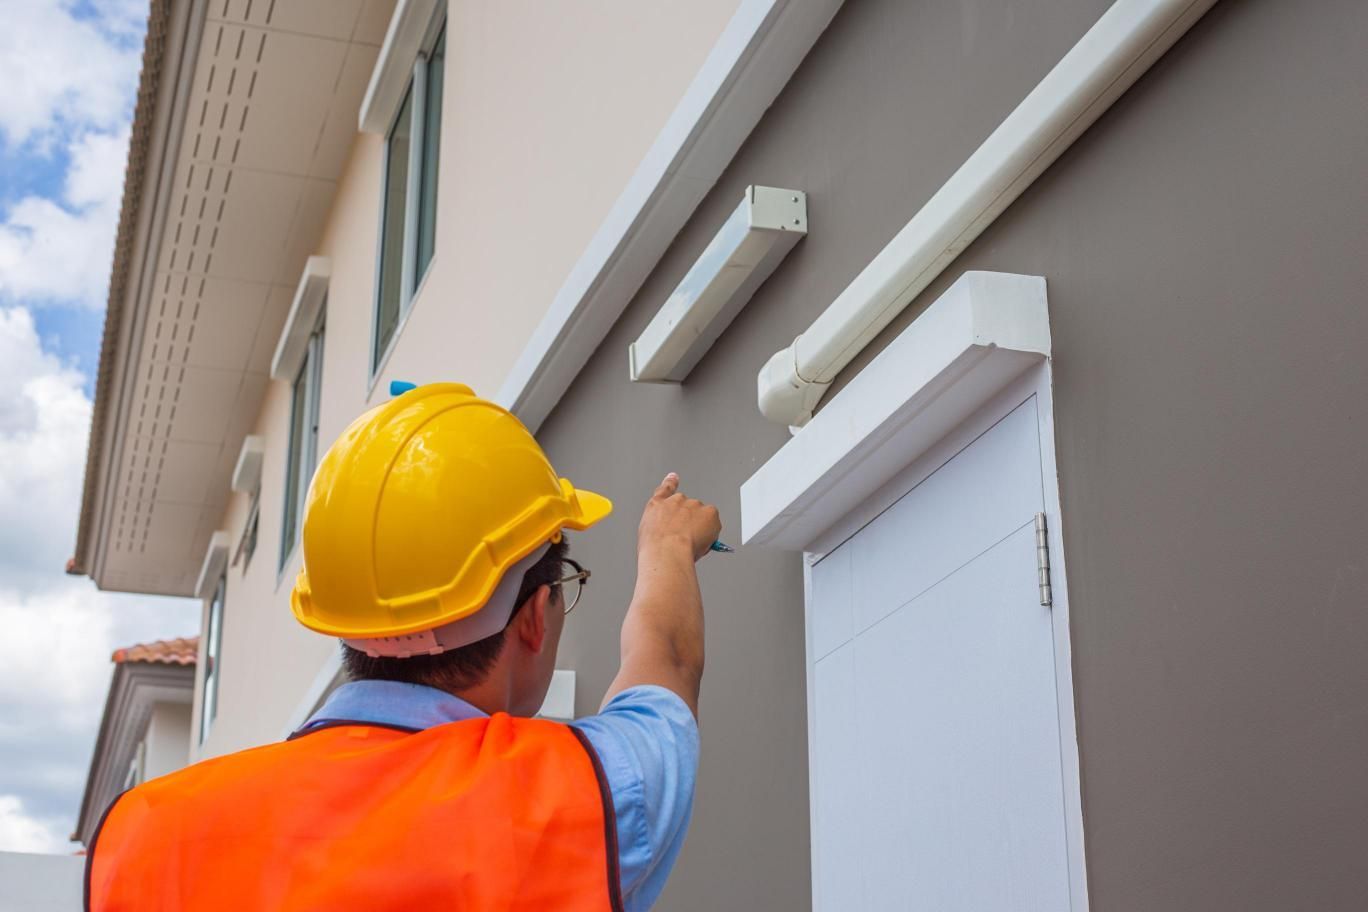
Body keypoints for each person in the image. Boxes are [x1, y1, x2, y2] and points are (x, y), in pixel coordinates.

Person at [86, 383, 721, 911]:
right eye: (563, 589)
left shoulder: (141, 835)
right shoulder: (581, 795)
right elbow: (664, 667)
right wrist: (666, 545)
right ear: (533, 618)